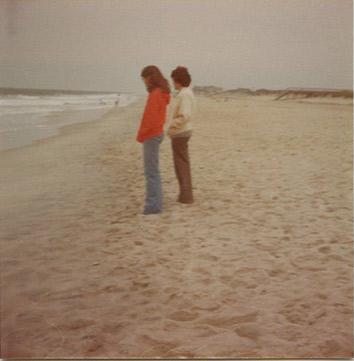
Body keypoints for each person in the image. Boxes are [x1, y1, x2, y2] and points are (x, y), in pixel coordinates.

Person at [136, 65, 170, 215]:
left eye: (144, 79)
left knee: (151, 172)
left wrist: (141, 136)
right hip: (156, 133)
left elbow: (149, 119)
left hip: (152, 134)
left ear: (149, 78)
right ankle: (156, 204)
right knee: (153, 171)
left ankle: (153, 206)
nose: (143, 82)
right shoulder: (161, 93)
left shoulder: (155, 94)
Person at [167, 66, 196, 204]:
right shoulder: (185, 93)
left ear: (178, 80)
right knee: (182, 164)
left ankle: (186, 196)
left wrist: (170, 125)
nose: (173, 83)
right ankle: (185, 195)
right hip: (182, 132)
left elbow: (184, 115)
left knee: (181, 165)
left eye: (173, 80)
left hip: (181, 132)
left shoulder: (184, 94)